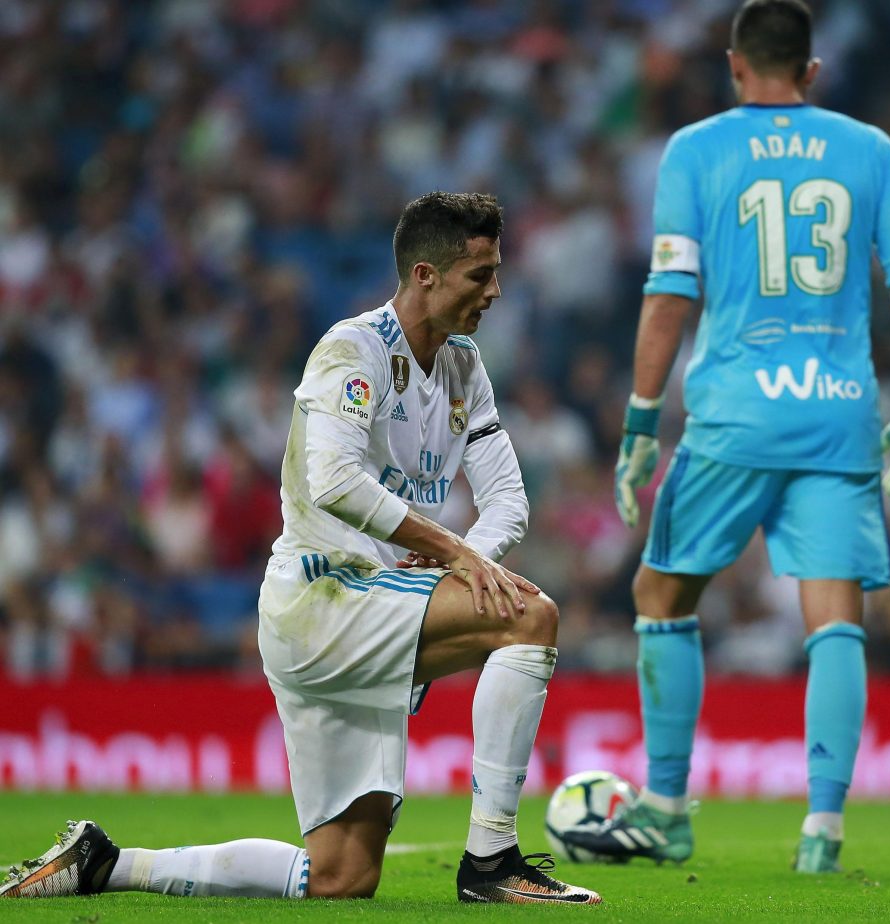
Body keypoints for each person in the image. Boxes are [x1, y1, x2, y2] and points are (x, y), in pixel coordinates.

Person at [1, 192, 601, 906]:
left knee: (342, 878)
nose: (495, 291)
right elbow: (335, 480)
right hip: (321, 599)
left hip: (366, 606)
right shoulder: (353, 349)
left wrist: (468, 551)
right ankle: (493, 862)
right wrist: (452, 552)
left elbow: (508, 498)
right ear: (425, 275)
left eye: (496, 272)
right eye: (479, 275)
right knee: (530, 617)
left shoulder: (465, 367)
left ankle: (109, 863)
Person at [565, 0, 890, 873]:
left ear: (735, 65)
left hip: (735, 414)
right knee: (835, 623)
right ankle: (823, 832)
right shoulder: (871, 150)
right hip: (838, 414)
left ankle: (664, 809)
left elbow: (670, 294)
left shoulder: (695, 150)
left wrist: (637, 424)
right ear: (812, 71)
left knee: (661, 600)